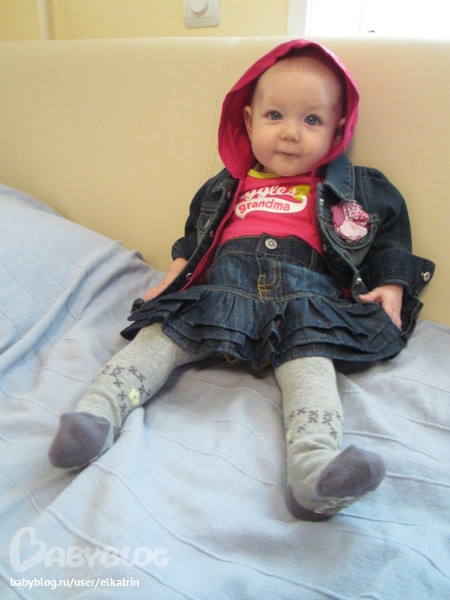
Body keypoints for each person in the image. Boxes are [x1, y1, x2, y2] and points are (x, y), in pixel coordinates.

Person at [49, 39, 434, 520]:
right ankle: (95, 417)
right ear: (249, 121)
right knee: (157, 339)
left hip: (303, 303)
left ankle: (315, 474)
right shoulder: (227, 185)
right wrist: (172, 279)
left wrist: (393, 285)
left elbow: (390, 235)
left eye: (311, 120)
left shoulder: (351, 190)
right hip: (221, 293)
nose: (290, 133)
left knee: (312, 372)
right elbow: (195, 241)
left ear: (338, 130)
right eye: (275, 116)